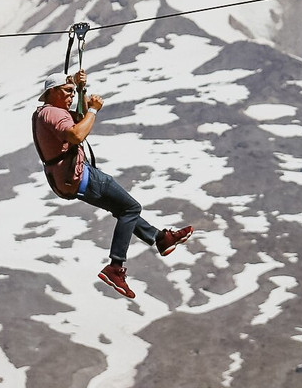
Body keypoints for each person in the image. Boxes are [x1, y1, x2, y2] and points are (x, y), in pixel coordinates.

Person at [31, 70, 194, 298]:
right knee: (131, 208)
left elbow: (76, 119)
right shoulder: (53, 113)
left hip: (68, 180)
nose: (70, 96)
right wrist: (94, 110)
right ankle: (115, 267)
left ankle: (161, 239)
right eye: (66, 92)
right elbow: (77, 134)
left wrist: (79, 90)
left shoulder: (47, 113)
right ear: (52, 93)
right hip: (80, 175)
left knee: (121, 209)